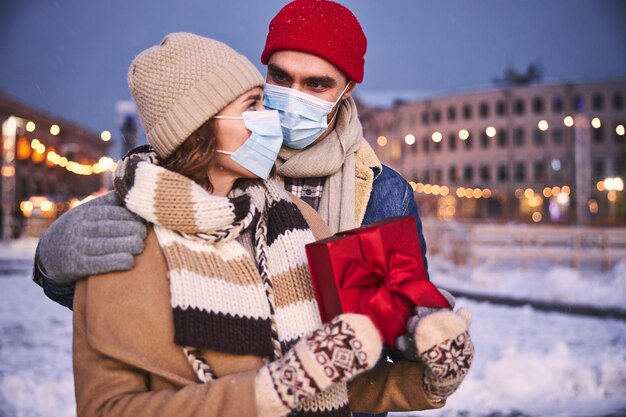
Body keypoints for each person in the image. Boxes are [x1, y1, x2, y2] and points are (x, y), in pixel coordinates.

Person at [69, 32, 473, 417]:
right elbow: (107, 407)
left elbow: (339, 378)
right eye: (254, 104)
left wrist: (426, 378)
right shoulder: (125, 238)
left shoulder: (294, 219)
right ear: (199, 126)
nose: (272, 120)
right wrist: (275, 389)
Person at [32, 0, 432, 307]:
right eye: (279, 76)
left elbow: (392, 339)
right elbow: (129, 303)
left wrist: (415, 325)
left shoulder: (385, 194)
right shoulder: (211, 161)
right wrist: (55, 266)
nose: (292, 96)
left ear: (347, 92)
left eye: (316, 84)